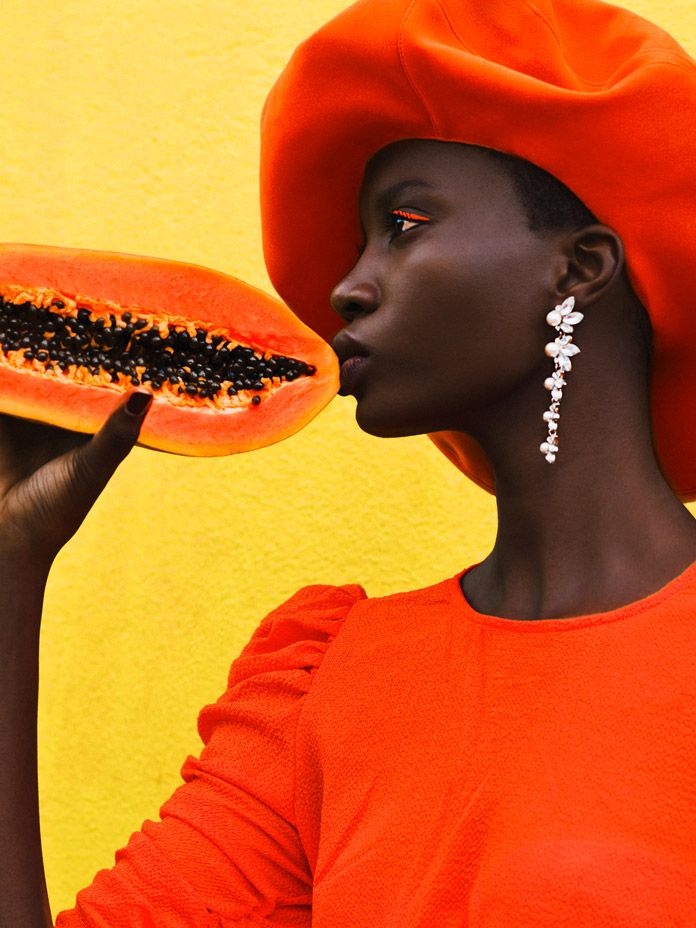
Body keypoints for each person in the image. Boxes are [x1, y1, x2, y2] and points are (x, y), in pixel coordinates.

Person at [1, 0, 695, 924]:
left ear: (580, 267)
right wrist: (10, 571)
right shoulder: (324, 679)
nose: (346, 286)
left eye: (403, 224)